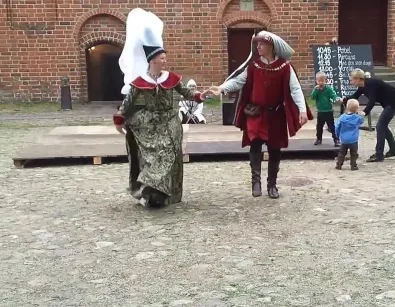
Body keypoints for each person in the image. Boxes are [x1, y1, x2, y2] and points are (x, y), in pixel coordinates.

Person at [204, 31, 313, 199]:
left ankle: (272, 185)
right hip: (256, 113)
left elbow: (295, 88)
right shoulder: (254, 65)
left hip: (276, 114)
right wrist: (222, 88)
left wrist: (302, 110)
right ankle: (256, 181)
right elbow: (239, 80)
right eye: (257, 44)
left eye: (261, 44)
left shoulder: (285, 67)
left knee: (275, 149)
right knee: (255, 144)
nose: (258, 47)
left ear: (271, 46)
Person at [114, 8, 204, 207]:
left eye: (165, 58)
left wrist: (199, 95)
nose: (165, 60)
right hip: (148, 122)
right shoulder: (140, 81)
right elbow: (129, 101)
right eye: (162, 58)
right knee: (149, 155)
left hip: (168, 120)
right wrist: (120, 118)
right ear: (153, 60)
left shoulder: (171, 78)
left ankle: (161, 189)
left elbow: (186, 92)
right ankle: (149, 190)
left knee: (169, 150)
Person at [342, 69, 395, 162]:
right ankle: (394, 150)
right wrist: (344, 100)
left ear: (358, 79)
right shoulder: (362, 86)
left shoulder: (370, 84)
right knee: (383, 126)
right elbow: (355, 96)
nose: (350, 82)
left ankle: (379, 155)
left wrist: (365, 112)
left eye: (352, 80)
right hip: (389, 103)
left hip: (394, 102)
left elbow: (372, 100)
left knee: (380, 126)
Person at [311, 71, 341, 146]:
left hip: (328, 111)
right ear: (316, 81)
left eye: (322, 81)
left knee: (331, 126)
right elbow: (312, 97)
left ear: (325, 81)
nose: (320, 83)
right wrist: (316, 90)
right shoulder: (316, 89)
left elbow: (333, 95)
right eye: (319, 81)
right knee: (319, 126)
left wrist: (335, 99)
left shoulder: (328, 89)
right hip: (320, 111)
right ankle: (318, 139)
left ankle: (336, 139)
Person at [335, 99, 364, 170]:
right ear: (356, 109)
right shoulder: (357, 118)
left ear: (347, 107)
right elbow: (362, 121)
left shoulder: (342, 117)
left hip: (344, 140)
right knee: (354, 154)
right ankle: (353, 165)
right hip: (353, 140)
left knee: (342, 153)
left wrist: (337, 135)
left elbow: (337, 127)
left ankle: (339, 164)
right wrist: (362, 115)